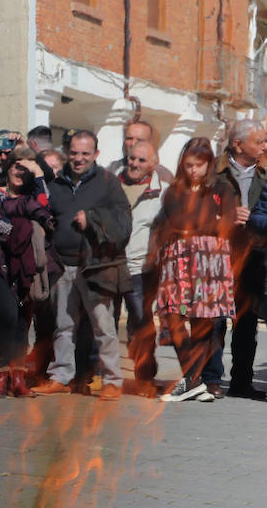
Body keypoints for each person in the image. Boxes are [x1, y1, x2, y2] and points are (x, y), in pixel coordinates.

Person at [30, 130, 131, 400]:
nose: (78, 158)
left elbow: (124, 223)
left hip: (95, 267)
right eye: (74, 153)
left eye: (85, 153)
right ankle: (61, 376)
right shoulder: (56, 183)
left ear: (96, 155)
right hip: (62, 265)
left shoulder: (108, 182)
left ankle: (112, 380)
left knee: (103, 324)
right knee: (63, 325)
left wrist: (94, 220)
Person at [154, 139, 236, 403]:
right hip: (178, 260)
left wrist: (201, 225)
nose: (193, 171)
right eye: (188, 165)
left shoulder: (221, 188)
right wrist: (206, 222)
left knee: (205, 323)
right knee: (174, 316)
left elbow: (229, 222)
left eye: (198, 165)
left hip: (209, 263)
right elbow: (176, 220)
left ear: (209, 164)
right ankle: (192, 376)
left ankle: (204, 380)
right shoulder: (175, 190)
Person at [0, 146, 56, 397]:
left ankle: (17, 376)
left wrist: (38, 175)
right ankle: (0, 374)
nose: (20, 172)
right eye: (17, 166)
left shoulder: (32, 198)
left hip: (26, 265)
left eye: (26, 169)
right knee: (8, 314)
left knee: (23, 321)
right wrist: (19, 233)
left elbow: (46, 212)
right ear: (8, 167)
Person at [214, 119, 267, 398]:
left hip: (253, 258)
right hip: (217, 256)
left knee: (246, 323)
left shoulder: (264, 172)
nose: (264, 146)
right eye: (259, 141)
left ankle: (241, 383)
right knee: (215, 320)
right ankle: (210, 379)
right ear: (238, 144)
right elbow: (192, 210)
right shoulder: (213, 172)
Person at [116, 138, 167, 394]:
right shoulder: (112, 183)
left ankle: (145, 377)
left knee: (141, 324)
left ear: (153, 164)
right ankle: (96, 376)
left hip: (140, 269)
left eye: (141, 160)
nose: (133, 164)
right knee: (100, 324)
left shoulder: (163, 189)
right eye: (131, 158)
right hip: (108, 264)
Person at [109, 119, 173, 182]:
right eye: (129, 138)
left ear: (150, 143)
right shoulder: (112, 170)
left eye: (140, 140)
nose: (133, 143)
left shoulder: (163, 176)